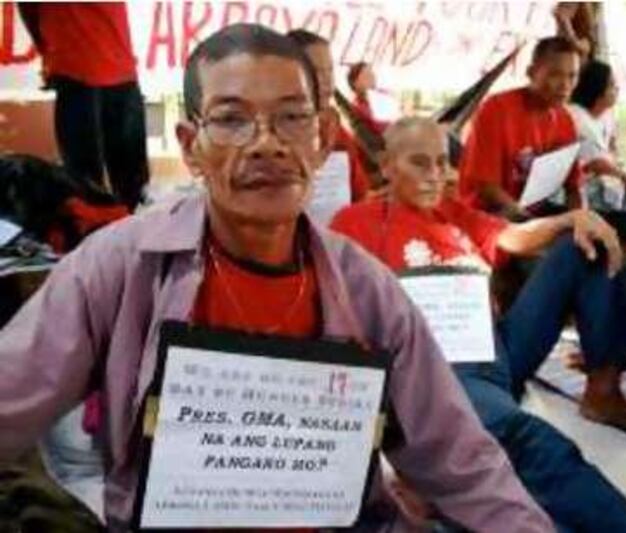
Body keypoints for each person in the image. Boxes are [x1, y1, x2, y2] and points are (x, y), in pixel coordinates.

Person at [0, 25, 554, 532]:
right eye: (232, 119)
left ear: (324, 136)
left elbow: (462, 463)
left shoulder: (367, 289)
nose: (267, 142)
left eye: (292, 116)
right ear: (192, 147)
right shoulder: (119, 267)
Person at [334, 117, 626, 444]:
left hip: (497, 353)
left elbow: (512, 236)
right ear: (387, 165)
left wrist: (571, 218)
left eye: (442, 163)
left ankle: (604, 392)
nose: (435, 176)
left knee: (583, 244)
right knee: (527, 445)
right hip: (436, 373)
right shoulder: (356, 223)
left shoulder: (452, 213)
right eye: (419, 164)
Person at [17, 2, 149, 211]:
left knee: (96, 185)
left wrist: (48, 50)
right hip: (88, 69)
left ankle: (115, 229)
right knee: (105, 186)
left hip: (99, 67)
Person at [459, 36, 583, 220]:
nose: (565, 85)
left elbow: (573, 187)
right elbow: (485, 186)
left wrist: (579, 221)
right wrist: (529, 222)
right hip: (492, 214)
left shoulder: (565, 120)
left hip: (532, 213)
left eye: (572, 76)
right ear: (531, 72)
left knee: (619, 222)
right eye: (555, 74)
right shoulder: (496, 108)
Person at [287, 29, 371, 202]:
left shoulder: (336, 132)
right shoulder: (268, 136)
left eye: (329, 71)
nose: (326, 82)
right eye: (316, 71)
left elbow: (360, 194)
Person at [569, 60, 626, 219]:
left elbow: (611, 148)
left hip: (607, 177)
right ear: (597, 90)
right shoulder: (577, 118)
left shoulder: (606, 114)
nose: (617, 89)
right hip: (586, 187)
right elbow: (597, 164)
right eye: (612, 85)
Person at [347, 61, 390, 137]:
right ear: (355, 83)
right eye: (366, 75)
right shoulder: (357, 108)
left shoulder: (384, 93)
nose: (372, 77)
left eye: (371, 73)